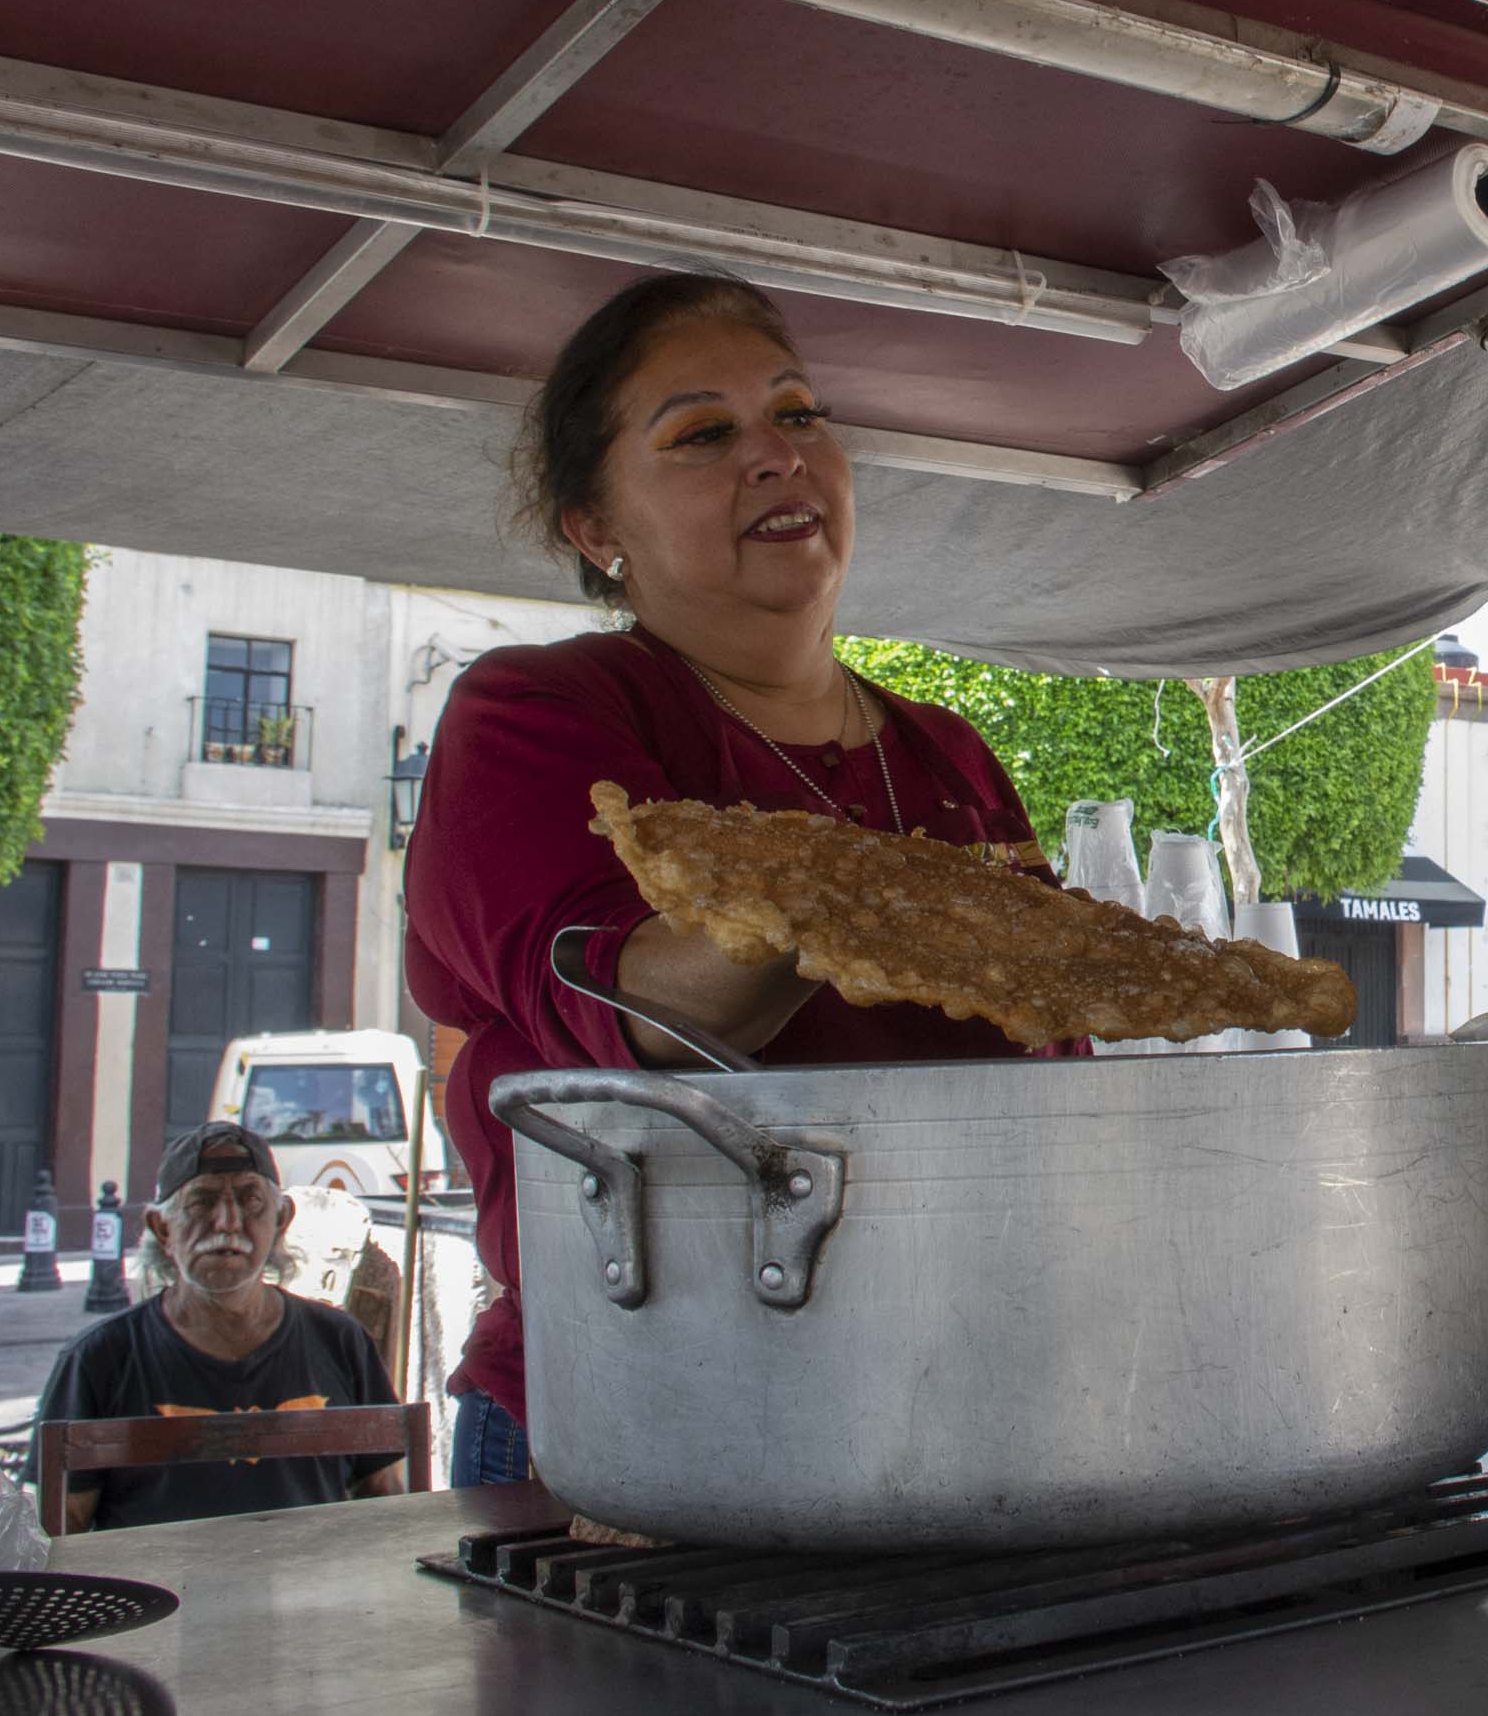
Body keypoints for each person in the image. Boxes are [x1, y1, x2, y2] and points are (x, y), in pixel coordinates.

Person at [404, 271, 1051, 1490]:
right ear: (594, 528)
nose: (776, 457)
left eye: (797, 414)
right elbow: (652, 1012)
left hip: (943, 1389)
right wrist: (888, 895)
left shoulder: (947, 756)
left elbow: (1039, 1066)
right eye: (703, 435)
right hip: (635, 1403)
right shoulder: (539, 711)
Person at [34, 1123, 405, 1530]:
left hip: (313, 1588)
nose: (228, 1222)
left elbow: (384, 1498)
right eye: (202, 1202)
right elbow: (59, 1528)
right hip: (159, 1593)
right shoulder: (99, 1359)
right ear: (162, 1229)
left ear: (281, 1219)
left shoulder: (340, 1341)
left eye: (250, 1201)